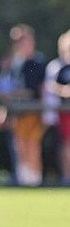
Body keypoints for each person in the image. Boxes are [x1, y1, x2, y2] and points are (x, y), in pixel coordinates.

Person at [0, 24, 46, 186]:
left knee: (31, 146)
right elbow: (5, 88)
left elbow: (37, 90)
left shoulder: (37, 62)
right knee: (19, 147)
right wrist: (3, 108)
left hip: (32, 111)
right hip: (16, 113)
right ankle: (23, 179)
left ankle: (34, 180)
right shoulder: (14, 64)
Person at [43, 29, 70, 186]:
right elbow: (50, 86)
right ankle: (66, 176)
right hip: (65, 111)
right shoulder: (57, 66)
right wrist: (63, 91)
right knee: (66, 144)